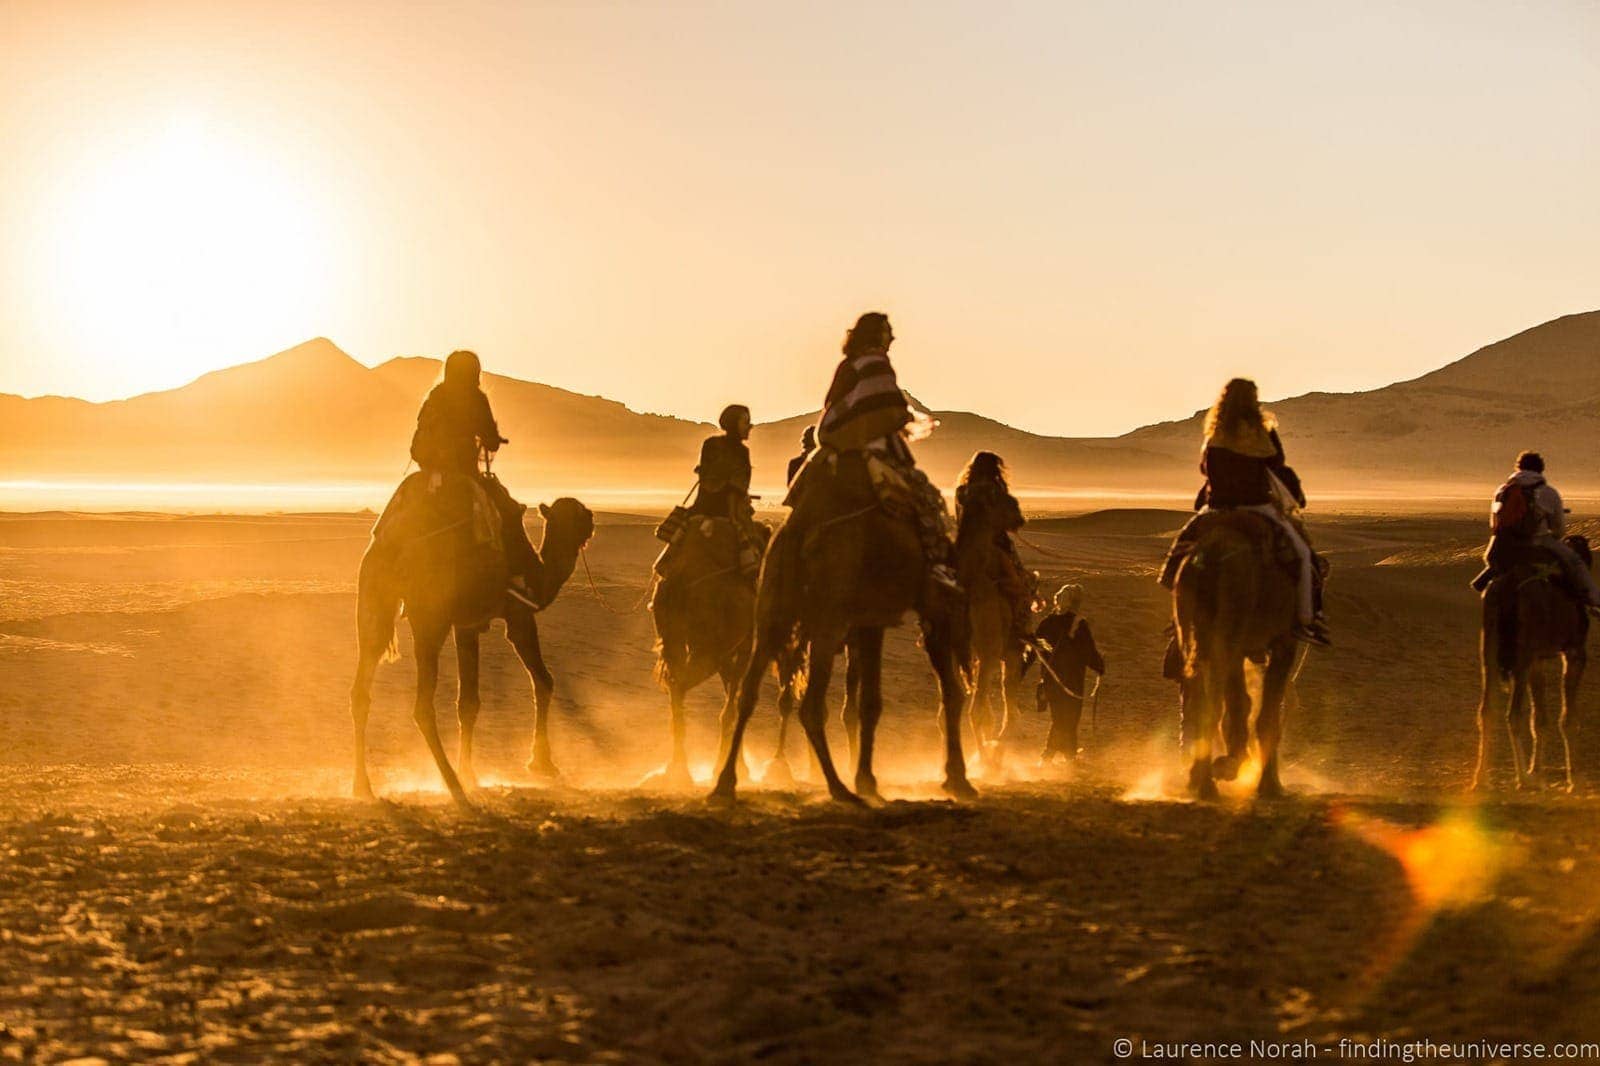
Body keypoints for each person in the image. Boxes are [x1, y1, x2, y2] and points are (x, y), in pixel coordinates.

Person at [1160, 377, 1329, 646]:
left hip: (1216, 508)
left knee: (1179, 553)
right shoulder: (1262, 433)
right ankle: (1308, 619)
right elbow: (1277, 465)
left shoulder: (1215, 434)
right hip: (1257, 507)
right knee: (1303, 555)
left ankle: (1178, 613)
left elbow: (1205, 471)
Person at [814, 312, 958, 588]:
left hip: (839, 450)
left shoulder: (848, 365)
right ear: (876, 334)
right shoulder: (876, 364)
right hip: (877, 453)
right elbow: (889, 411)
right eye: (887, 331)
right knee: (926, 500)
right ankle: (936, 572)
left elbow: (834, 406)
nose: (892, 337)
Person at [408, 349, 539, 588]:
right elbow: (489, 438)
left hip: (426, 476)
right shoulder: (475, 398)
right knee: (509, 511)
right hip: (463, 476)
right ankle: (517, 578)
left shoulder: (434, 396)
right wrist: (493, 439)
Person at [1472, 451, 1600, 608]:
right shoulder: (1548, 493)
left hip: (1500, 548)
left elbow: (1494, 524)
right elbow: (1558, 530)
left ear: (1518, 468)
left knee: (1495, 577)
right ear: (1540, 470)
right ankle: (1594, 600)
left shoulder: (1501, 491)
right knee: (1575, 562)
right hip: (1536, 544)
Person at [955, 450, 1037, 636]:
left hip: (964, 546)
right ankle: (1021, 632)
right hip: (997, 546)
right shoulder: (996, 492)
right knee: (1021, 584)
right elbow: (1015, 522)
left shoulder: (961, 491)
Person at [1032, 584, 1105, 762]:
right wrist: (1100, 666)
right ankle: (1048, 756)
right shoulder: (1078, 624)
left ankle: (1069, 755)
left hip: (1050, 679)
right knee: (1068, 718)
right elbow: (1088, 652)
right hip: (1072, 681)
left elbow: (1037, 648)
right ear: (1077, 603)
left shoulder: (1046, 623)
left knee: (1060, 717)